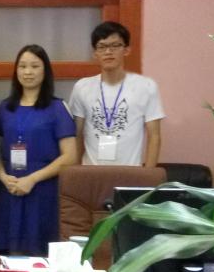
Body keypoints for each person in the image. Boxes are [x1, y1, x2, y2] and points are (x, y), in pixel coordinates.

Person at [0, 45, 77, 255]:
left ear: (45, 70)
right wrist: (2, 176)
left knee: (40, 254)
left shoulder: (57, 108)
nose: (28, 72)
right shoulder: (5, 107)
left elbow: (70, 156)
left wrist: (32, 179)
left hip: (43, 190)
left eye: (34, 66)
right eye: (22, 66)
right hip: (10, 188)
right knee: (8, 255)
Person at [69, 21, 164, 167]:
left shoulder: (146, 86)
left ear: (126, 50)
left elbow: (154, 136)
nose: (108, 52)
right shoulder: (82, 87)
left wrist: (148, 175)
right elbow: (77, 134)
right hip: (91, 172)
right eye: (102, 46)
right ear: (95, 53)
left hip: (130, 173)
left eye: (115, 45)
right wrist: (76, 172)